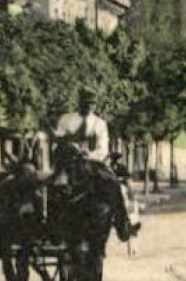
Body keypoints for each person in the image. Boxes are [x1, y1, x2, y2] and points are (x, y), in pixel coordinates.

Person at [50, 97, 138, 241]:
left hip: (92, 162)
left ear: (94, 106)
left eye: (90, 104)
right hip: (68, 162)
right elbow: (57, 142)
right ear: (79, 103)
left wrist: (88, 154)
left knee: (114, 184)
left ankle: (123, 225)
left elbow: (102, 149)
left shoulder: (99, 124)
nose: (87, 107)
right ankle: (50, 224)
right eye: (84, 103)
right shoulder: (66, 120)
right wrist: (66, 146)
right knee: (51, 185)